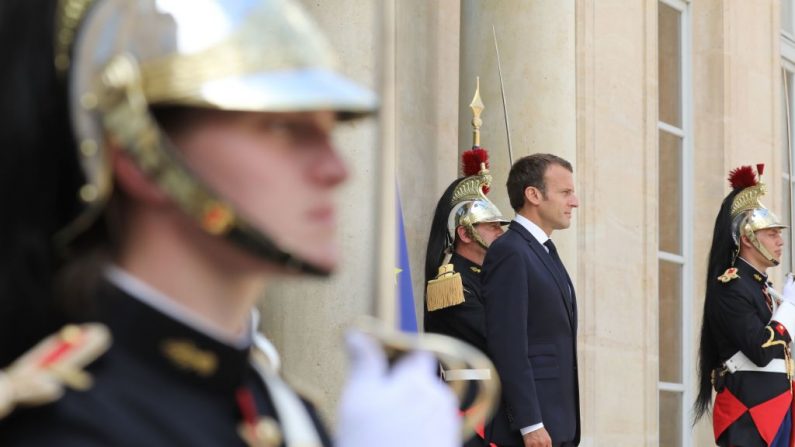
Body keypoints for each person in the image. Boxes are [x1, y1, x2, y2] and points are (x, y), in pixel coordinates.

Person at [0, 0, 459, 446]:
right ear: (141, 159)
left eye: (328, 128)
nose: (337, 168)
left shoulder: (274, 404)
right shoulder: (64, 424)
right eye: (282, 127)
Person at [481, 153, 580, 447]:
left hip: (558, 423)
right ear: (533, 195)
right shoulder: (510, 251)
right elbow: (508, 345)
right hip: (531, 431)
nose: (574, 202)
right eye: (565, 192)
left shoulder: (544, 250)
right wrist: (530, 424)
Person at [694, 164, 795, 447]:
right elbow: (761, 350)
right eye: (772, 234)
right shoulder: (731, 287)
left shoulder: (762, 287)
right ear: (749, 238)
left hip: (776, 408)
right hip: (750, 412)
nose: (780, 241)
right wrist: (789, 308)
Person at [424, 146, 508, 447]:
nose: (501, 232)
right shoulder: (451, 280)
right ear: (465, 233)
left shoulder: (485, 275)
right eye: (492, 226)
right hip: (470, 408)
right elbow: (493, 335)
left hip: (497, 408)